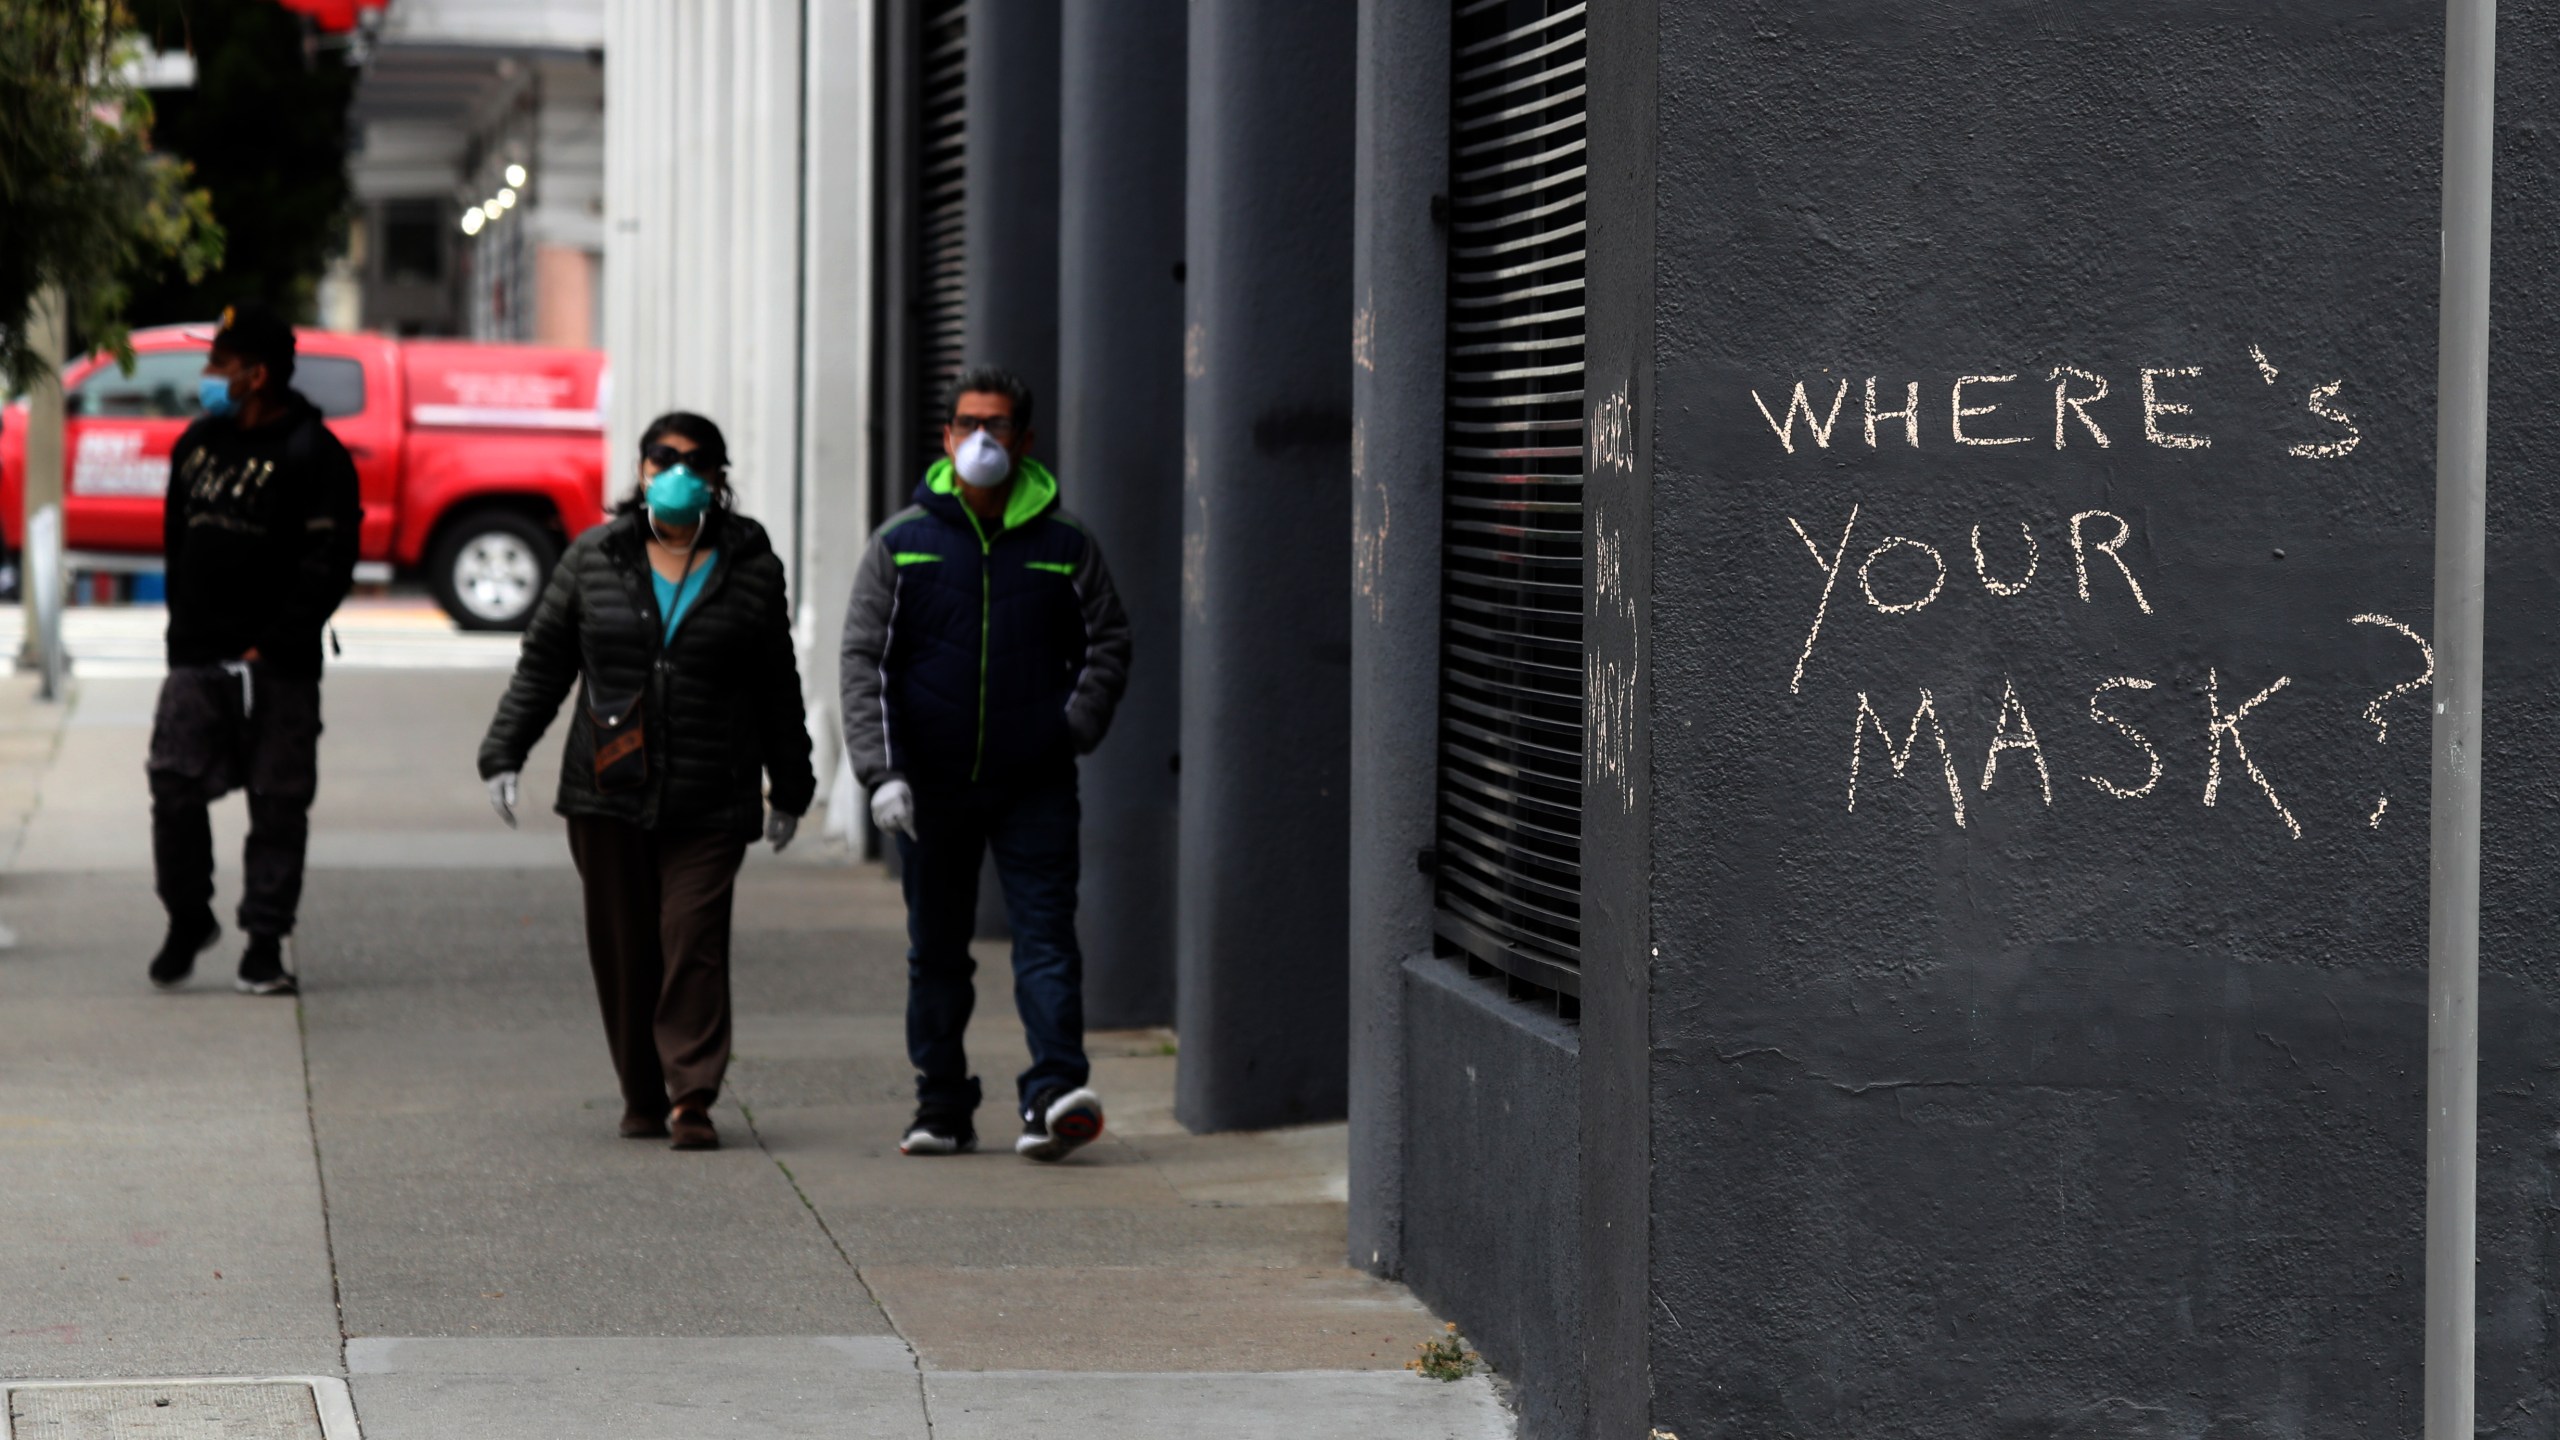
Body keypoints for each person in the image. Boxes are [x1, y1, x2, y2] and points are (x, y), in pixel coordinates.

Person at [477, 413, 814, 1151]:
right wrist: (504, 752)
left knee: (692, 935)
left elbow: (775, 683)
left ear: (719, 478)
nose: (677, 470)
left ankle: (691, 1094)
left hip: (711, 790)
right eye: (663, 457)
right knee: (626, 946)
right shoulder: (594, 556)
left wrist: (792, 784)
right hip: (609, 789)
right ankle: (640, 1092)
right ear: (639, 469)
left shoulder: (750, 563)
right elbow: (544, 665)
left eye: (694, 460)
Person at [842, 366, 1131, 1162]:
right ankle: (941, 1105)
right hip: (928, 788)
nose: (981, 439)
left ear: (1025, 440)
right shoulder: (902, 545)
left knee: (1046, 939)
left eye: (998, 425)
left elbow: (1109, 643)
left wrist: (1070, 729)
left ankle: (1053, 1098)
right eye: (967, 423)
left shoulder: (1065, 545)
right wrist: (881, 771)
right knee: (937, 948)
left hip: (1033, 783)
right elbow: (862, 659)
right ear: (945, 437)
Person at [147, 303, 361, 996]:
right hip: (197, 659)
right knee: (173, 788)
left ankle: (263, 944)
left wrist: (280, 641)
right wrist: (183, 635)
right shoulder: (198, 443)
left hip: (280, 665)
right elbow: (178, 542)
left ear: (257, 374)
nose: (209, 376)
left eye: (221, 365)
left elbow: (331, 560)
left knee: (278, 801)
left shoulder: (313, 452)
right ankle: (188, 916)